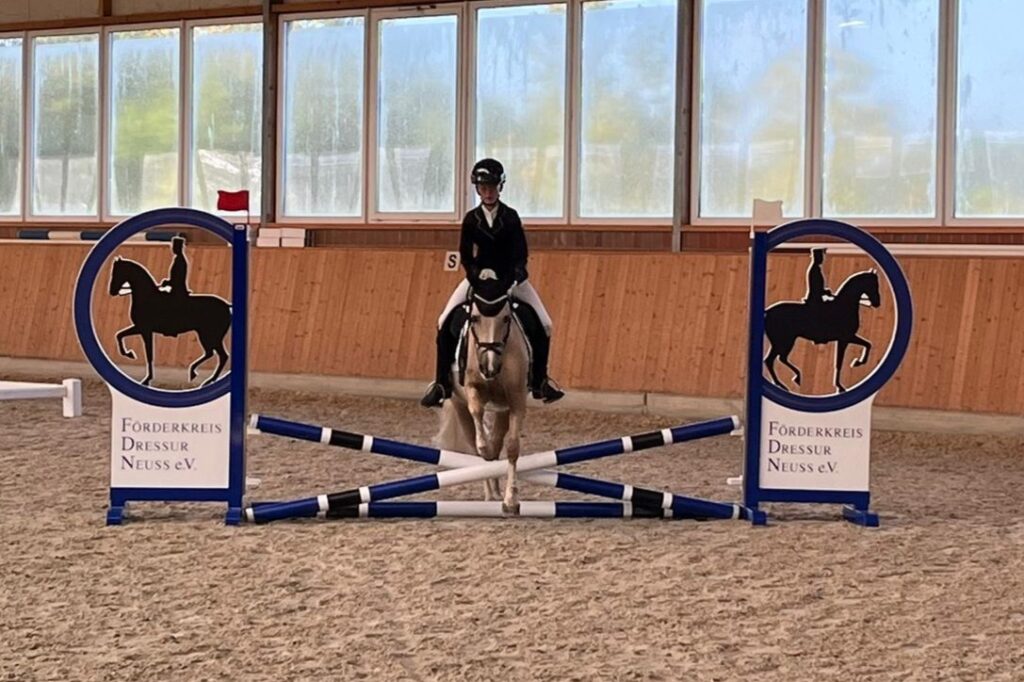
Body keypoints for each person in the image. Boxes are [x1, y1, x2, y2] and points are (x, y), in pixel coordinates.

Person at [420, 158, 565, 408]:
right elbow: (466, 255)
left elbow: (520, 254)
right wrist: (476, 275)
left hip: (511, 280)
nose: (488, 192)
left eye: (492, 187)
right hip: (478, 280)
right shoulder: (470, 219)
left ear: (500, 187)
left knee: (545, 323)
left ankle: (541, 381)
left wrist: (513, 276)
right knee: (443, 322)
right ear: (477, 189)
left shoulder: (510, 217)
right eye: (483, 187)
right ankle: (441, 383)